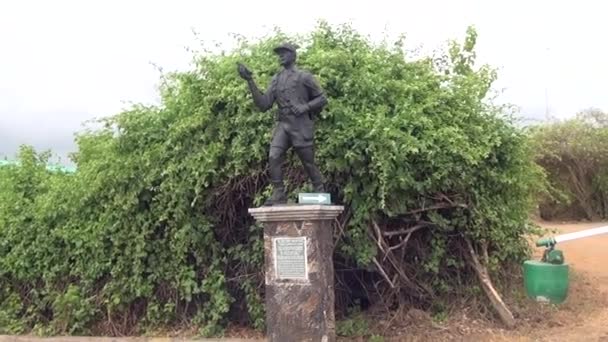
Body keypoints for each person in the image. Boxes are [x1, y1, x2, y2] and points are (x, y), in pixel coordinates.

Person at [237, 43, 327, 206]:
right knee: (273, 156)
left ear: (293, 55)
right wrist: (250, 80)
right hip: (284, 125)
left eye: (284, 53)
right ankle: (279, 192)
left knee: (308, 162)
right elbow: (264, 104)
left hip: (300, 126)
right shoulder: (276, 79)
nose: (281, 56)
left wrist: (305, 107)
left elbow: (322, 98)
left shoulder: (304, 76)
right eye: (279, 54)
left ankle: (319, 188)